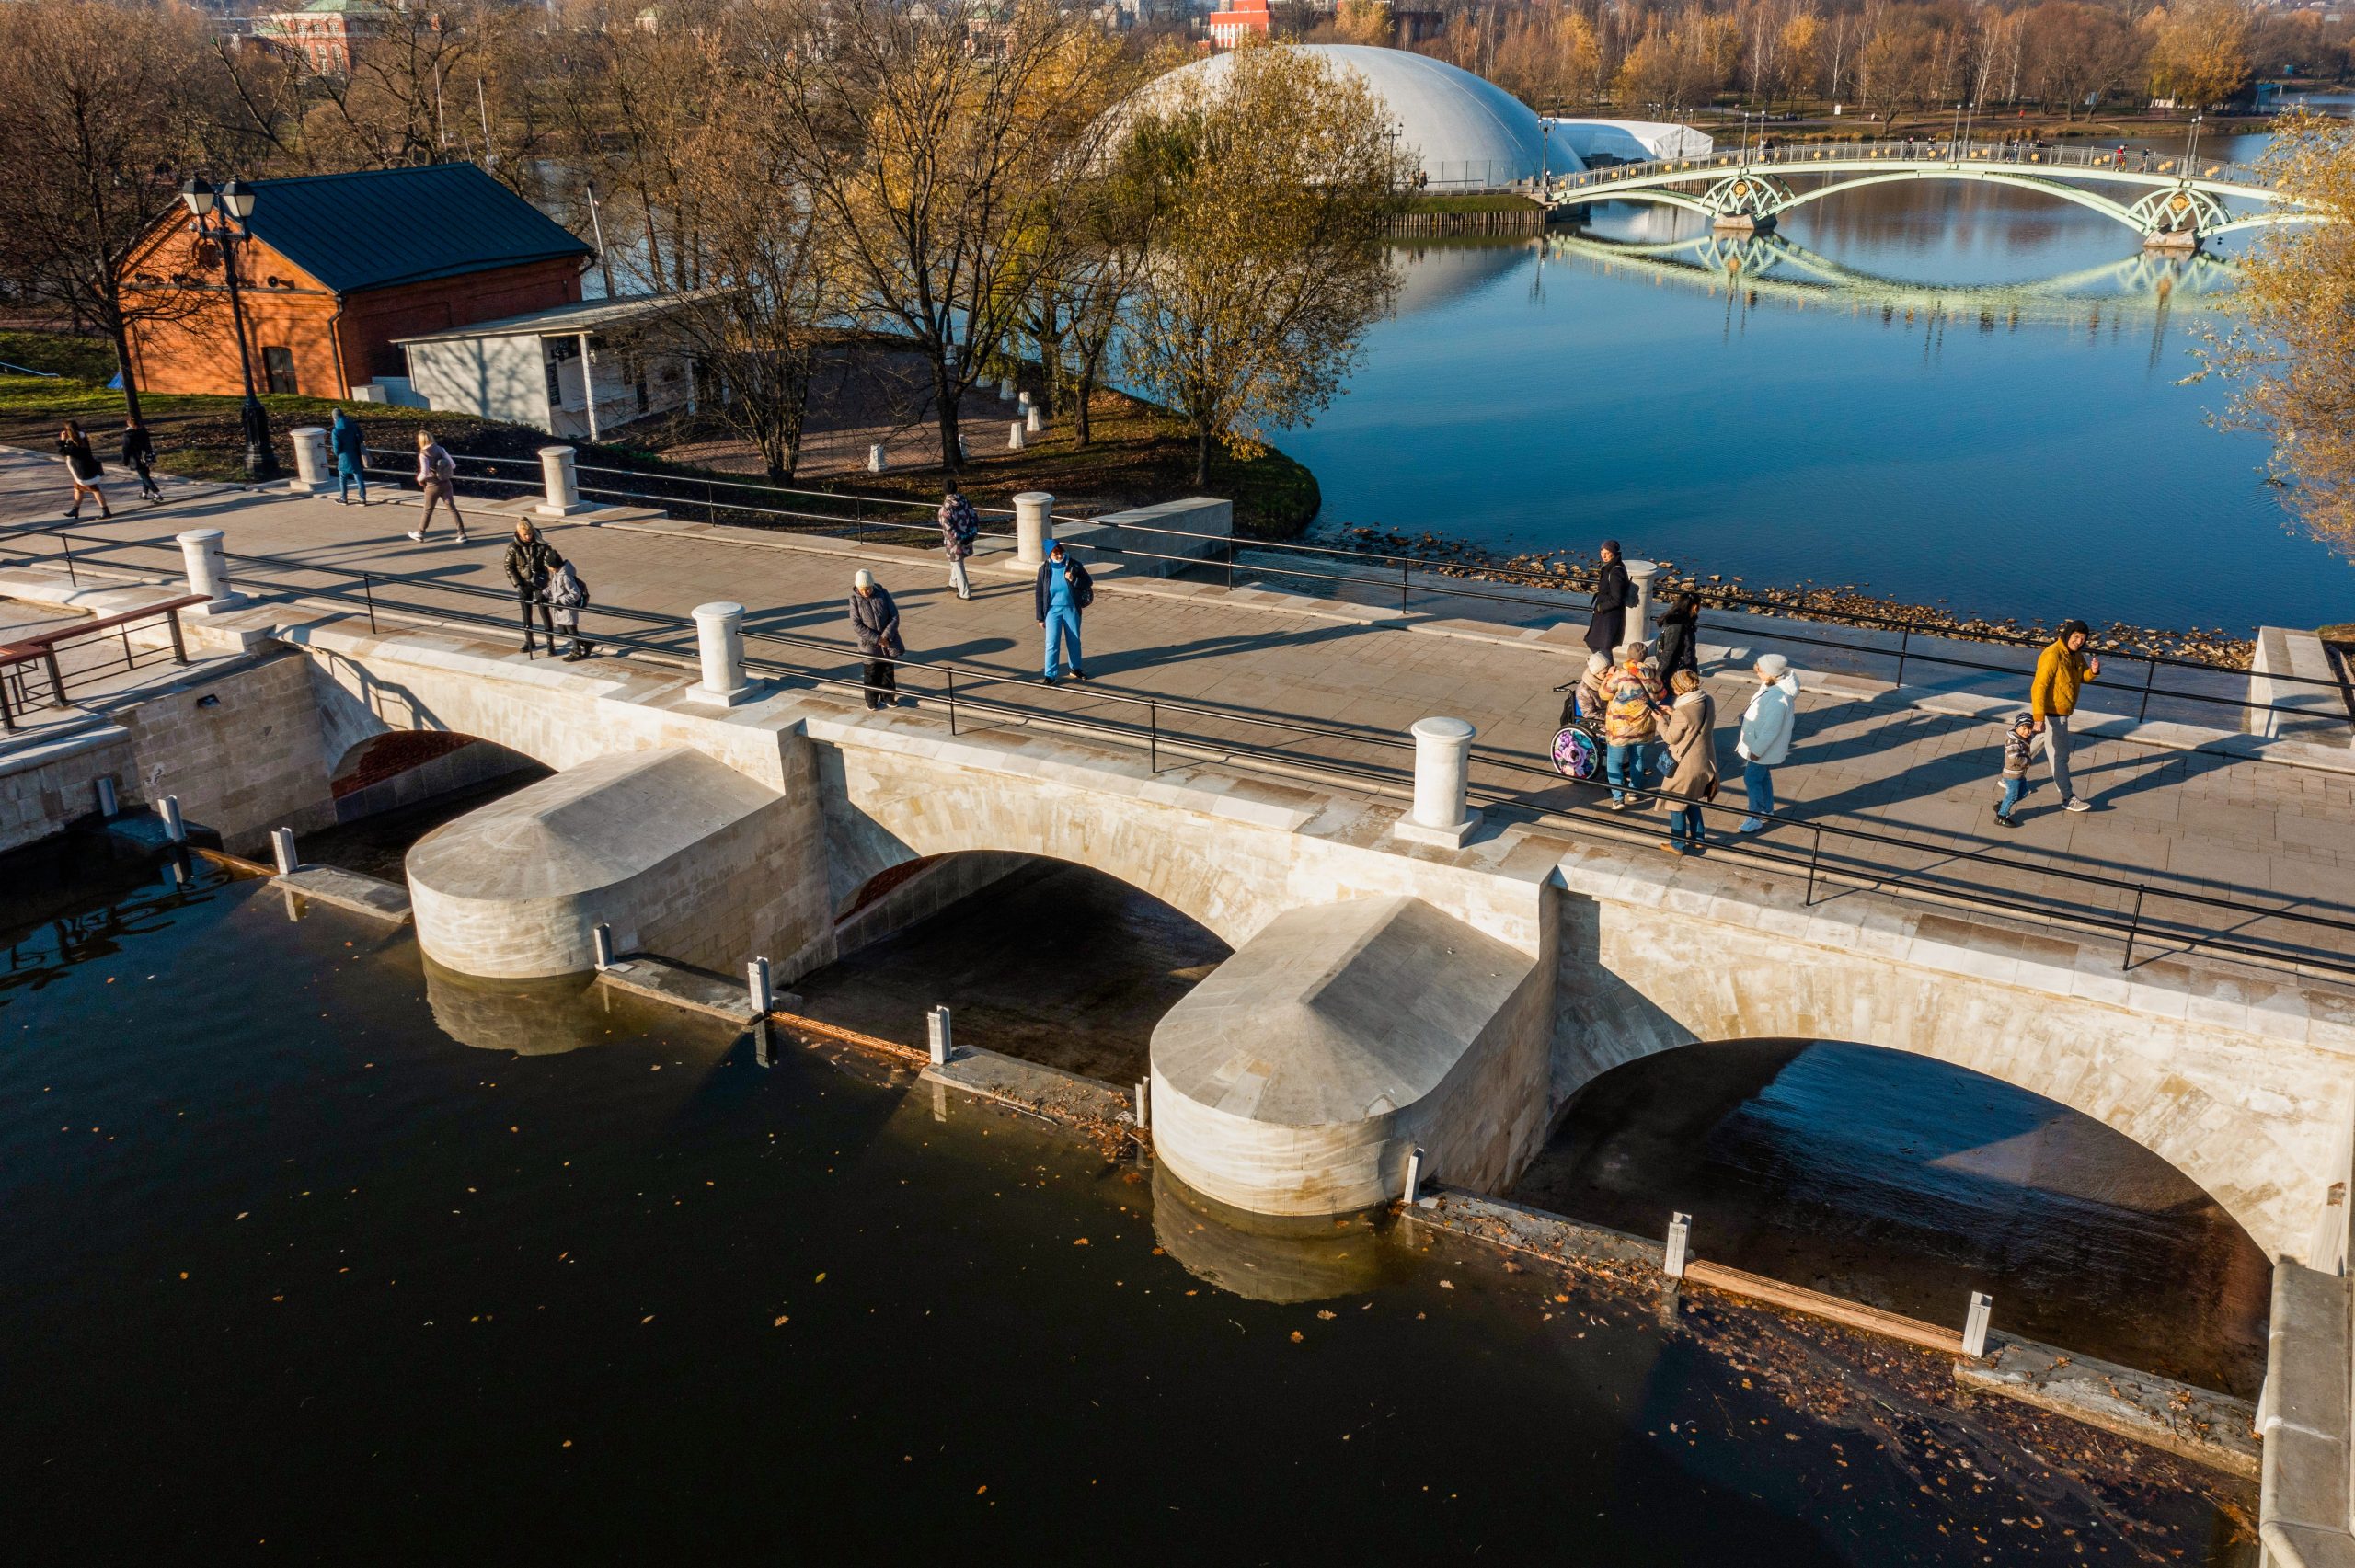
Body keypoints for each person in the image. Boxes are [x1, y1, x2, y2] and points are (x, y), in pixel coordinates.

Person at [2029, 618, 2100, 813]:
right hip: (2053, 714)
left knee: (2036, 744)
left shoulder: (2076, 654)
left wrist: (2093, 672)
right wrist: (2038, 718)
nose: (2078, 641)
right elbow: (2039, 687)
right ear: (2068, 635)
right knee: (2060, 757)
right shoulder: (2052, 655)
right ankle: (2068, 797)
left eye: (2082, 638)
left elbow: (2080, 677)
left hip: (2060, 712)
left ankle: (2010, 775)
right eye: (2076, 637)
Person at [1735, 651, 1801, 831]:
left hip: (1762, 748)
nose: (1757, 672)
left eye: (1759, 670)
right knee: (1762, 777)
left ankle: (1755, 816)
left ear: (1769, 673)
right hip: (1763, 747)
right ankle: (1767, 809)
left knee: (1751, 779)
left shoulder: (1777, 698)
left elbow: (1771, 730)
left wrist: (1756, 750)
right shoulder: (1771, 686)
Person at [1656, 668, 1718, 854]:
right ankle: (1699, 838)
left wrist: (1660, 719)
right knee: (1692, 800)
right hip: (1704, 759)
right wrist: (1673, 713)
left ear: (1679, 689)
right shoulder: (1707, 700)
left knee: (1676, 802)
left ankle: (1677, 844)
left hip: (1685, 766)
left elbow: (1670, 737)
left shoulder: (1683, 712)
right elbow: (1694, 722)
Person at [1600, 640, 1669, 810]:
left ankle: (1618, 798)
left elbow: (1604, 694)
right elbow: (1662, 694)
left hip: (1620, 729)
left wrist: (1609, 674)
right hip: (1644, 727)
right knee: (1637, 759)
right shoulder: (1652, 674)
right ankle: (1634, 791)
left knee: (1614, 762)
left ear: (1628, 656)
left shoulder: (1620, 675)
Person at [1035, 537, 1092, 684]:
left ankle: (1076, 669)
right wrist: (1040, 617)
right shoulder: (1044, 570)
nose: (1059, 556)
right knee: (1052, 643)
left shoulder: (1074, 565)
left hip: (1071, 608)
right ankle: (1050, 675)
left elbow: (1088, 581)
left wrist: (1074, 580)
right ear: (1049, 555)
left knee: (1074, 641)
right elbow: (1040, 593)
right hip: (1052, 611)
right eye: (1055, 554)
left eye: (1060, 552)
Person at [502, 520, 562, 653]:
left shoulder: (541, 544)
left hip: (540, 583)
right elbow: (508, 566)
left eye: (530, 533)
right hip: (524, 583)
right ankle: (529, 641)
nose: (528, 537)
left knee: (545, 612)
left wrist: (550, 570)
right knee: (526, 613)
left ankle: (550, 643)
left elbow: (551, 561)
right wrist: (517, 583)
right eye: (525, 535)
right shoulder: (513, 547)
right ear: (519, 533)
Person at [849, 568, 902, 709]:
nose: (866, 592)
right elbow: (856, 625)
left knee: (887, 670)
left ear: (872, 585)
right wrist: (878, 639)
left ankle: (888, 698)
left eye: (868, 588)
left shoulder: (883, 593)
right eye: (863, 589)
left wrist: (885, 636)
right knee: (871, 672)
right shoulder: (854, 599)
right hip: (869, 644)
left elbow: (894, 616)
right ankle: (871, 700)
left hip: (887, 642)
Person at [407, 430, 467, 543]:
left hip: (432, 485)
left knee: (428, 510)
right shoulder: (441, 449)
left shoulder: (423, 454)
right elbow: (452, 465)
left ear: (421, 441)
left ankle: (420, 533)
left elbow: (424, 473)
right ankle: (462, 534)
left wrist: (418, 479)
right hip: (446, 483)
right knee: (452, 509)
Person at [1584, 539, 1632, 658]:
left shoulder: (1615, 571)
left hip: (1609, 614)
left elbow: (1617, 599)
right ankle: (1606, 670)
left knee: (1602, 645)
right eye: (1602, 552)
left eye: (1607, 552)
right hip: (1605, 613)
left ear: (1614, 553)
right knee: (1597, 643)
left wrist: (1600, 607)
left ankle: (1607, 671)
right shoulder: (1611, 566)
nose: (1604, 556)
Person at [57, 421, 110, 521]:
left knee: (95, 490)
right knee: (78, 489)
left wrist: (62, 440)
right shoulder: (81, 437)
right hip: (81, 470)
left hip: (83, 471)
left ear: (69, 431)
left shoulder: (76, 442)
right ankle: (75, 509)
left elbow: (64, 452)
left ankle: (105, 511)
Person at [1993, 710, 2036, 828]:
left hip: (2019, 774)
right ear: (2017, 727)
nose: (2027, 732)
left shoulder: (2023, 737)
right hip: (2011, 775)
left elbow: (2032, 735)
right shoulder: (2013, 741)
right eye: (2024, 728)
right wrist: (2028, 762)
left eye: (2029, 728)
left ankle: (2002, 805)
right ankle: (2001, 816)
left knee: (2024, 792)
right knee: (2012, 796)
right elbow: (2014, 759)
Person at [548, 558, 594, 662]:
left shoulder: (565, 576)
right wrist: (544, 594)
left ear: (554, 566)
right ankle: (587, 644)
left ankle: (576, 652)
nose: (548, 568)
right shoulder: (557, 573)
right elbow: (553, 587)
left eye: (549, 566)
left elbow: (575, 593)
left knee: (571, 630)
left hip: (567, 609)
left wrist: (562, 602)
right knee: (563, 630)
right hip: (560, 609)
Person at [937, 490, 979, 601]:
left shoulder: (945, 508)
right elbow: (974, 517)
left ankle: (965, 593)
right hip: (967, 537)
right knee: (955, 562)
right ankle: (953, 582)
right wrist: (971, 534)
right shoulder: (964, 501)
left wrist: (960, 538)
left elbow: (948, 528)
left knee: (957, 564)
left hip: (954, 542)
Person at [1654, 590, 1701, 680]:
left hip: (1681, 672)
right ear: (1695, 607)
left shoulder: (1683, 624)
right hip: (1676, 675)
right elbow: (1668, 653)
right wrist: (1658, 677)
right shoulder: (1677, 627)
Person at [119, 417, 162, 505]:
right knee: (145, 474)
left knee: (144, 476)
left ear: (128, 423)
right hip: (146, 456)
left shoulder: (128, 434)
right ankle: (144, 493)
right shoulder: (143, 431)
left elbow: (125, 449)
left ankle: (157, 494)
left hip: (136, 458)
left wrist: (124, 460)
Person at [330, 409, 368, 506]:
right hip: (356, 454)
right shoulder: (353, 426)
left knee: (343, 478)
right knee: (359, 477)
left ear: (334, 418)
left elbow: (337, 448)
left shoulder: (336, 431)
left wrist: (336, 453)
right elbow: (361, 437)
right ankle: (362, 499)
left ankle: (344, 498)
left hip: (344, 456)